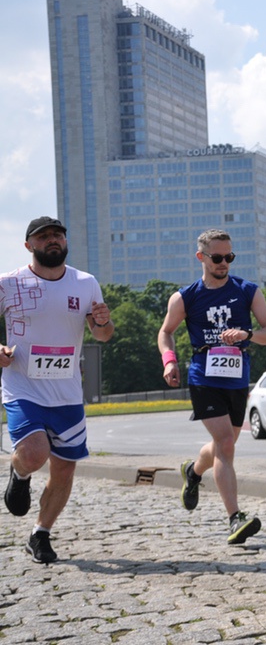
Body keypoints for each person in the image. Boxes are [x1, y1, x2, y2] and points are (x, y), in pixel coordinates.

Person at [0, 216, 115, 563]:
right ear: (28, 245)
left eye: (58, 235)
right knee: (35, 452)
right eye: (43, 236)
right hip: (23, 386)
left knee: (64, 469)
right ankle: (20, 472)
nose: (52, 240)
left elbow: (102, 335)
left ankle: (40, 533)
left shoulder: (86, 283)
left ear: (65, 241)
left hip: (67, 393)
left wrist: (104, 322)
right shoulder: (8, 284)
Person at [158, 229, 266, 545]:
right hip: (204, 377)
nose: (224, 262)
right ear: (201, 257)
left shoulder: (247, 291)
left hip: (236, 378)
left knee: (224, 445)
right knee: (226, 443)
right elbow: (166, 332)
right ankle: (235, 518)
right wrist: (169, 361)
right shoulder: (186, 297)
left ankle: (193, 472)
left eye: (229, 257)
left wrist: (247, 335)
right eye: (217, 257)